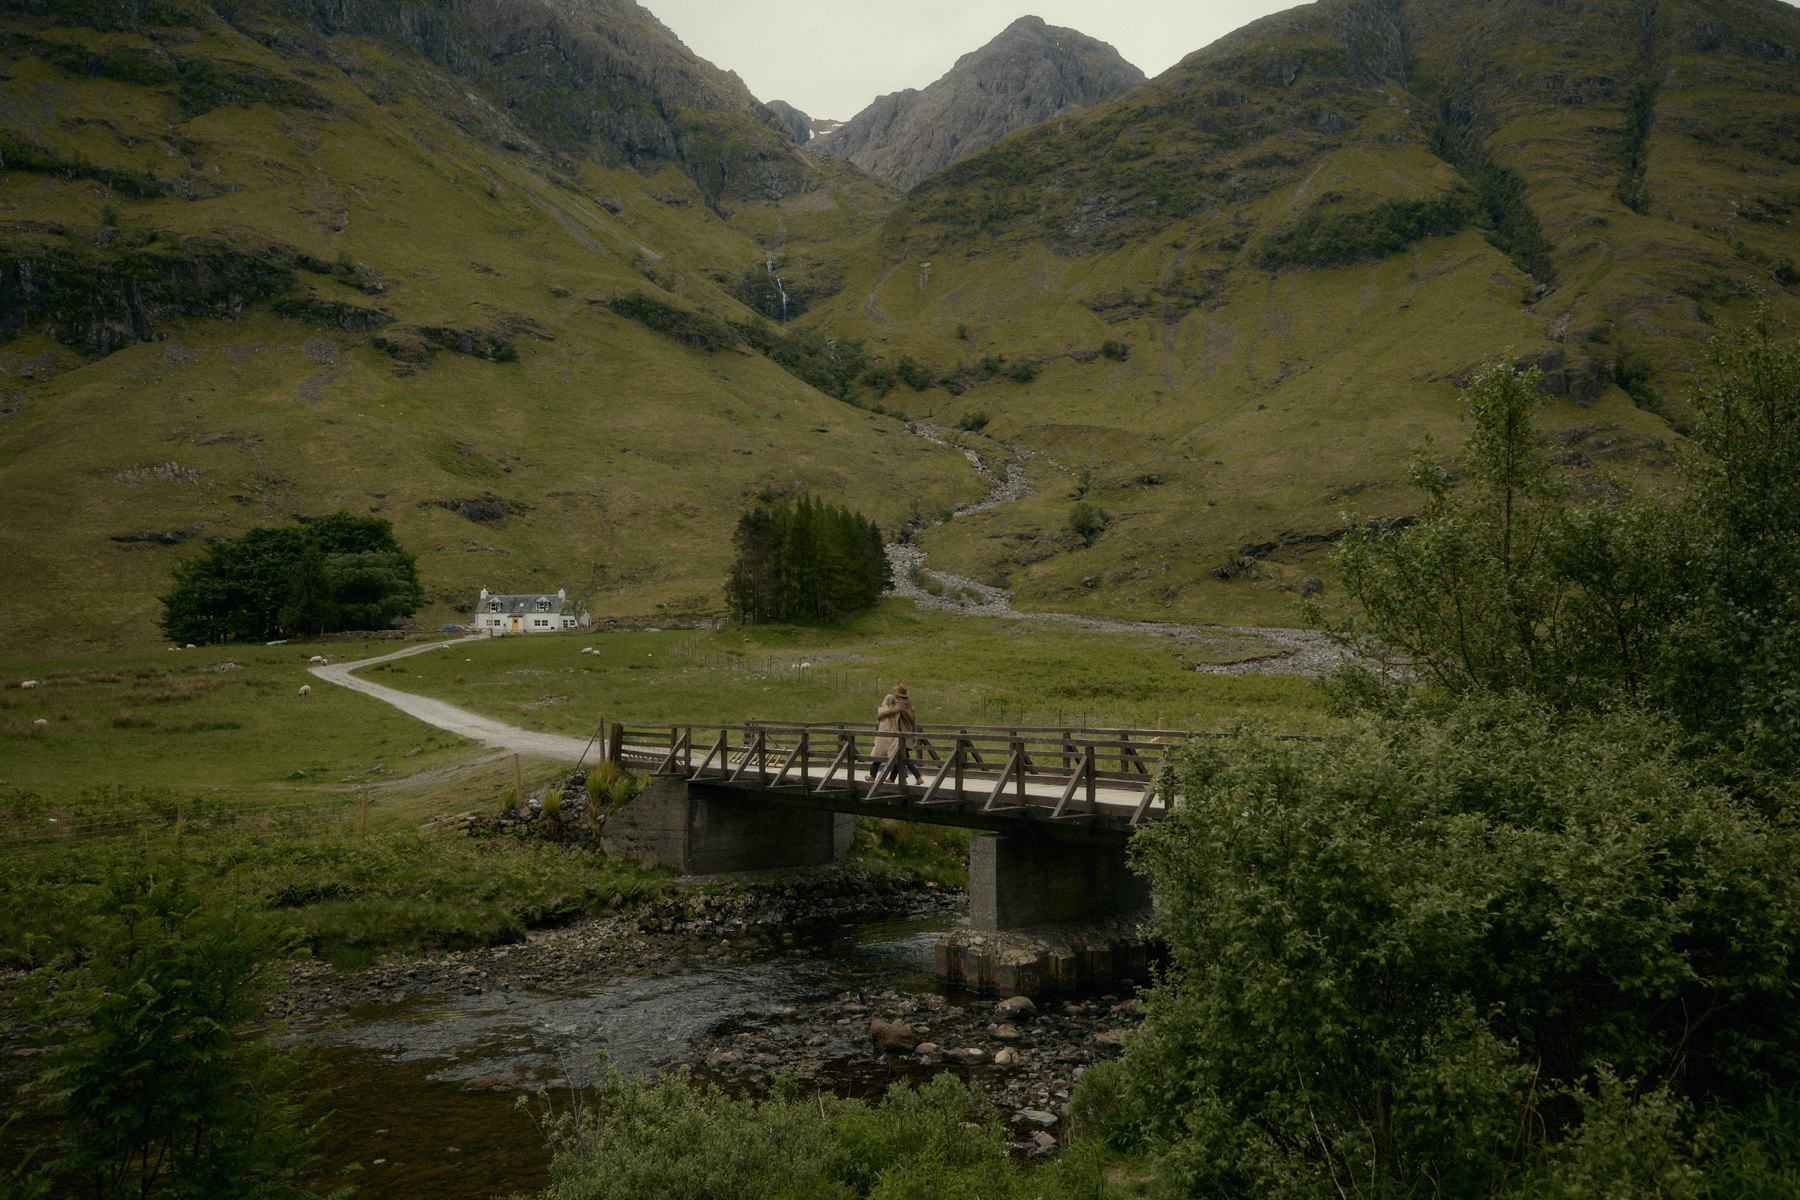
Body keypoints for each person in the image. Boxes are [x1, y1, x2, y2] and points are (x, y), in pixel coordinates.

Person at [868, 684, 923, 783]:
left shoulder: (900, 704)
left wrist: (880, 714)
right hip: (908, 734)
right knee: (899, 756)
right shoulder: (910, 705)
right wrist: (914, 735)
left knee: (904, 757)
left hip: (902, 735)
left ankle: (918, 777)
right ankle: (893, 778)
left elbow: (893, 711)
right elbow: (914, 722)